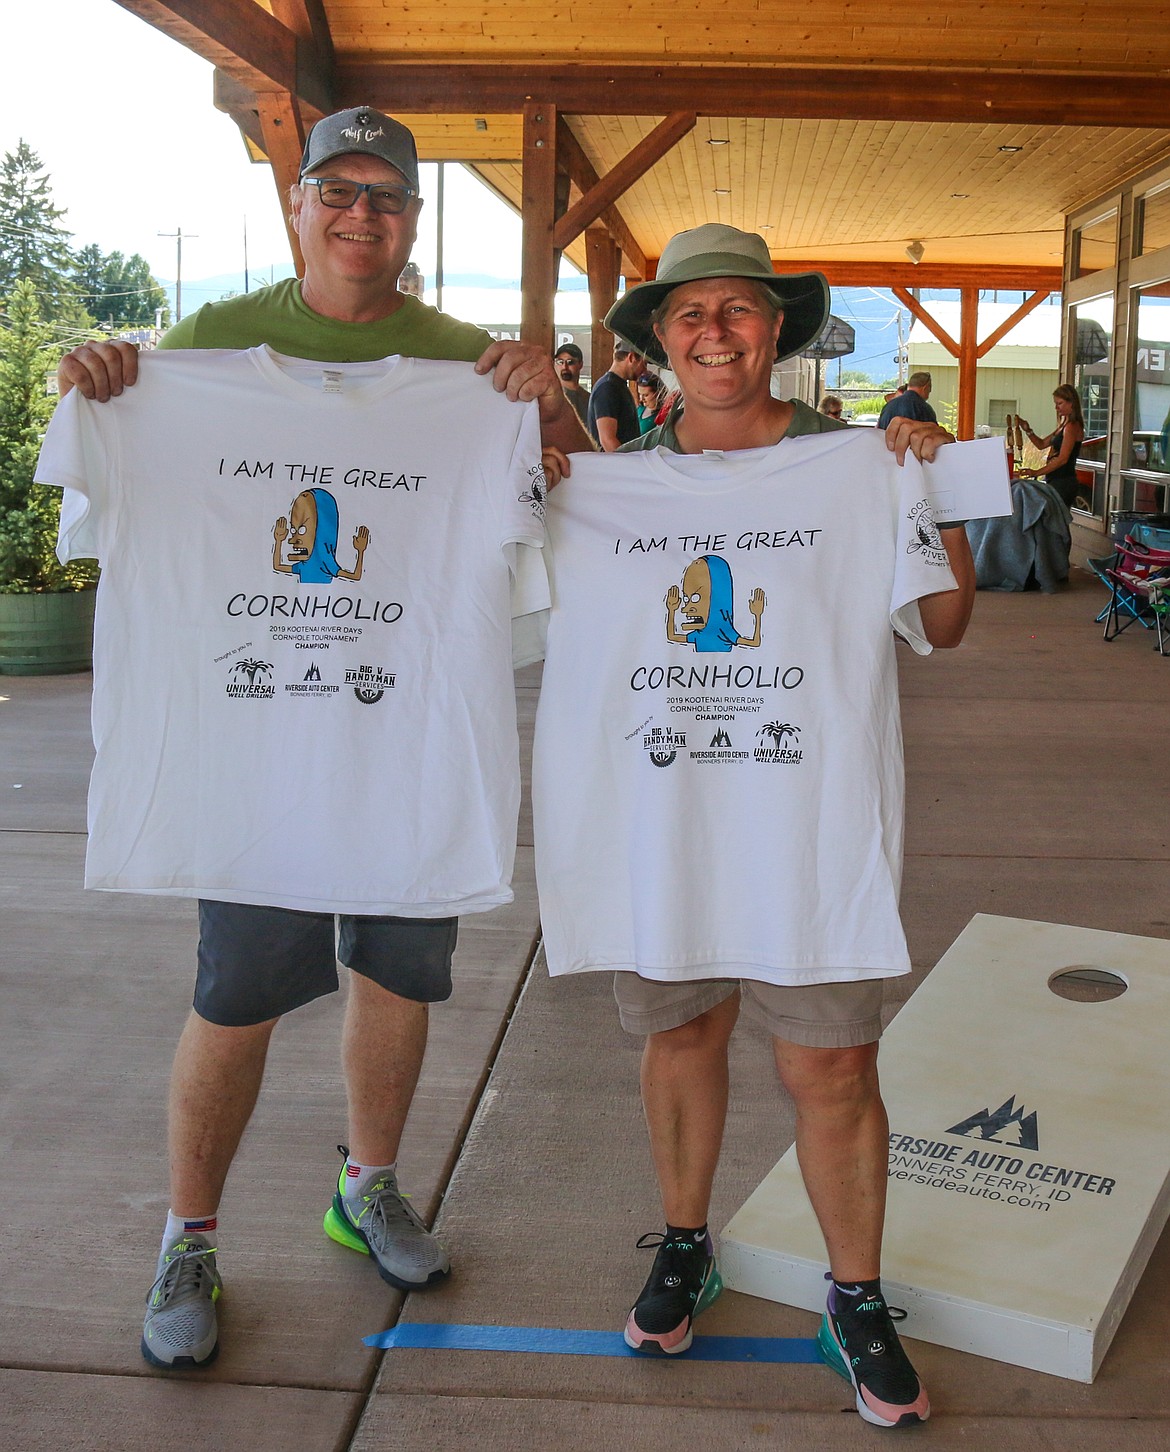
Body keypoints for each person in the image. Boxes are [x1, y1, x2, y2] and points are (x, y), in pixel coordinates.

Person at [55, 105, 586, 1373]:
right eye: (336, 191)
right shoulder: (206, 346)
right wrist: (101, 383)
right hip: (255, 752)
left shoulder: (467, 366)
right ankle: (188, 1235)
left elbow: (566, 492)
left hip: (403, 738)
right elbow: (116, 474)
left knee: (399, 975)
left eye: (387, 198)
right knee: (235, 996)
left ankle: (370, 1184)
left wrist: (548, 409)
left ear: (414, 221)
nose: (361, 214)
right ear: (296, 206)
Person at [537, 223, 973, 1430]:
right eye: (689, 313)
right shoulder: (605, 487)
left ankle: (855, 1292)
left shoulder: (859, 461)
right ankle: (688, 1242)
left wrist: (922, 486)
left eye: (737, 309)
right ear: (659, 341)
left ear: (777, 327)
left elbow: (941, 624)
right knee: (681, 1037)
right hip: (664, 816)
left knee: (830, 1063)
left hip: (808, 822)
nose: (714, 331)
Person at [1015, 385, 1086, 509]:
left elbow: (1062, 458)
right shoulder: (1063, 425)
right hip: (1055, 480)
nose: (1056, 408)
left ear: (1071, 403)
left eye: (1060, 403)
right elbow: (1041, 444)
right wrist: (1027, 430)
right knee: (1054, 522)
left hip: (1064, 481)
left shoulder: (1072, 427)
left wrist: (1036, 472)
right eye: (1055, 403)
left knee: (1053, 521)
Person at [586, 339, 645, 449]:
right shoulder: (607, 388)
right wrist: (628, 465)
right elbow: (607, 440)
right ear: (631, 358)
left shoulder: (618, 386)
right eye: (643, 363)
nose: (644, 369)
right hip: (613, 465)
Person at [554, 341, 591, 429]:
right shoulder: (552, 397)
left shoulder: (589, 398)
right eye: (560, 362)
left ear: (580, 364)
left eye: (570, 362)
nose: (565, 367)